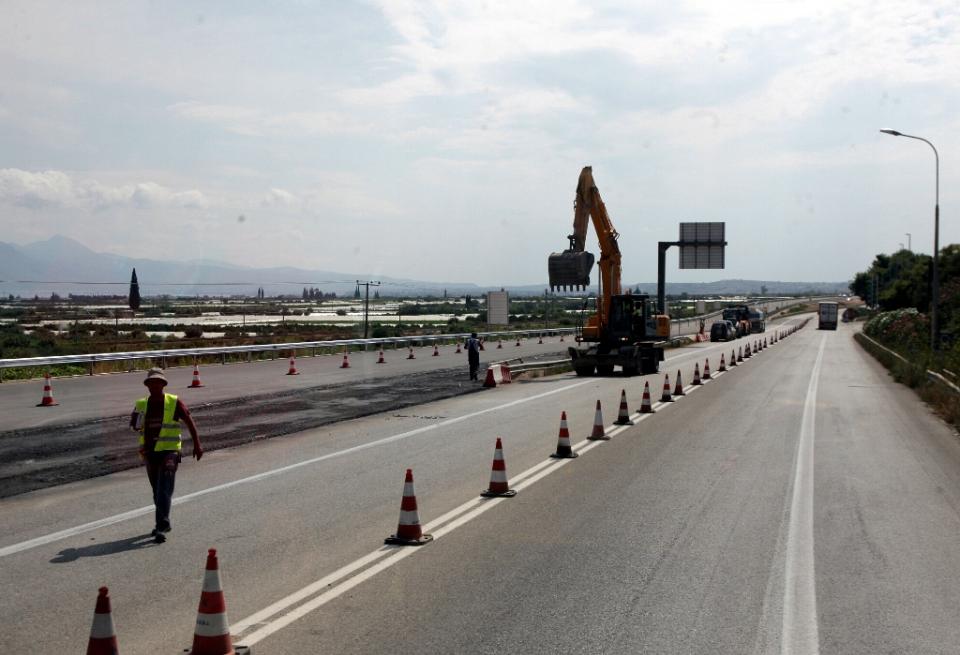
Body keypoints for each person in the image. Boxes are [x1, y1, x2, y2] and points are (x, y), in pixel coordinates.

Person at [130, 368, 203, 543]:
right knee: (157, 490)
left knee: (164, 487)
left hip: (170, 451)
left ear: (163, 384)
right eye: (151, 383)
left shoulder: (173, 401)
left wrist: (197, 444)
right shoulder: (141, 404)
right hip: (149, 452)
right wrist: (137, 421)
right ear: (147, 385)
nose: (154, 385)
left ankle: (161, 525)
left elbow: (189, 421)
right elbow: (134, 426)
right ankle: (162, 523)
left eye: (158, 382)